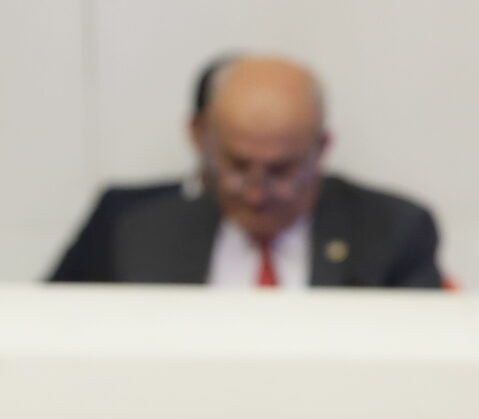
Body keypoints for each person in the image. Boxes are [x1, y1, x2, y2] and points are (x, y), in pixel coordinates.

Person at [62, 55, 443, 289]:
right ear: (204, 141)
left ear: (321, 148)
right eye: (238, 167)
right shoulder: (143, 235)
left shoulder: (391, 232)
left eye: (281, 171)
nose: (257, 192)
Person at [46, 54, 233, 284]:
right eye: (233, 129)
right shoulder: (124, 217)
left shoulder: (277, 226)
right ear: (198, 130)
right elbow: (53, 301)